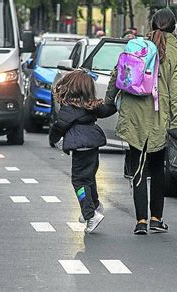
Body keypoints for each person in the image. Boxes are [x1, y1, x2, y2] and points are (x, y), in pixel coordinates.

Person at [103, 8, 177, 234]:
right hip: (160, 115)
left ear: (151, 25)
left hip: (134, 112)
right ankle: (156, 218)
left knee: (138, 165)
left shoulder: (137, 46)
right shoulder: (175, 52)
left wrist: (109, 102)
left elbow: (116, 74)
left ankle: (141, 221)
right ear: (174, 28)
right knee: (158, 167)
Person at [49, 70, 113, 234]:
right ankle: (95, 206)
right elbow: (106, 110)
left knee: (79, 181)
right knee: (89, 177)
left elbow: (59, 126)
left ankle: (90, 214)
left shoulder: (68, 108)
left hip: (80, 147)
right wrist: (116, 99)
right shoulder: (92, 105)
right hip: (93, 145)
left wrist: (54, 139)